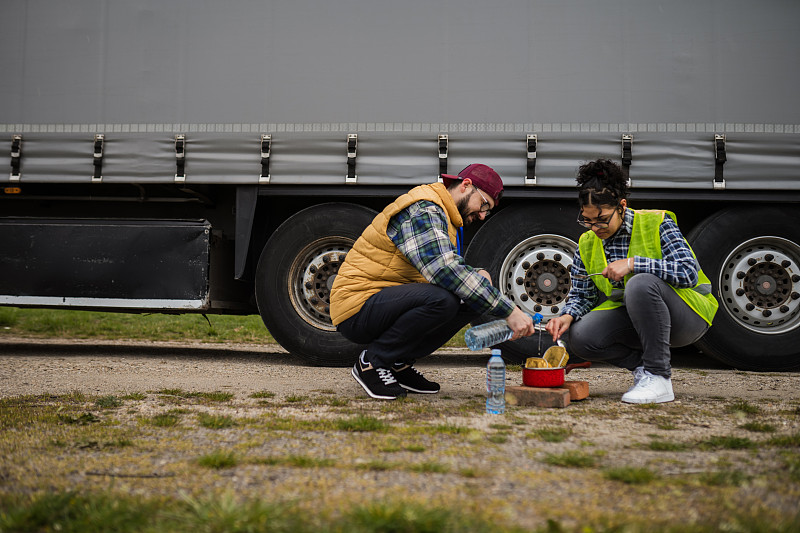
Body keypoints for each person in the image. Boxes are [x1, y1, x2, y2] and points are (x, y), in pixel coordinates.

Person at [330, 164, 535, 400]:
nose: (482, 215)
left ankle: (397, 362)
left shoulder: (445, 215)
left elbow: (441, 264)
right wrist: (509, 311)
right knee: (443, 300)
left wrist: (478, 274)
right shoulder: (424, 208)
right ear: (466, 186)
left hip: (383, 300)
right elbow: (443, 270)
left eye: (486, 211)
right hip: (356, 307)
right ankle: (372, 362)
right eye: (484, 205)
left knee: (469, 299)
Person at [545, 159, 718, 404]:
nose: (595, 227)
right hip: (639, 318)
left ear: (622, 206)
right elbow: (582, 295)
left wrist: (633, 264)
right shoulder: (586, 242)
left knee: (640, 283)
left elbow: (688, 272)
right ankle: (644, 372)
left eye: (602, 219)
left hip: (688, 316)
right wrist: (567, 316)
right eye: (587, 219)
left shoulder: (657, 223)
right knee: (582, 335)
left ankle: (660, 377)